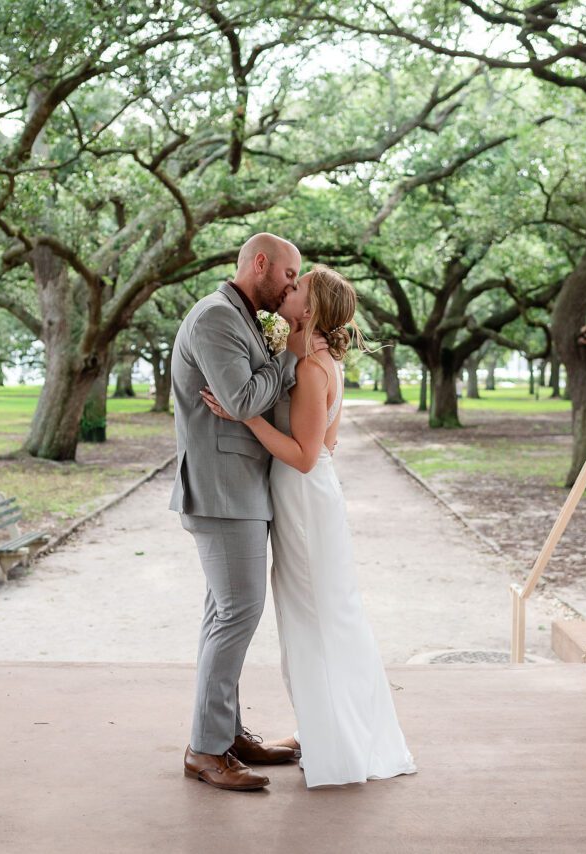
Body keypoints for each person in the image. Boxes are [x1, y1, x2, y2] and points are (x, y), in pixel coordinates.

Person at [201, 265, 416, 788]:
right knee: (315, 616)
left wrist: (244, 416)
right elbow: (325, 442)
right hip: (306, 498)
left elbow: (304, 455)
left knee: (313, 618)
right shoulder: (309, 359)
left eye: (297, 288)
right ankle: (327, 726)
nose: (287, 290)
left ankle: (337, 737)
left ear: (312, 308)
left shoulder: (314, 367)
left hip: (303, 501)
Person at [170, 232, 321, 791]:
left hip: (240, 489)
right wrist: (288, 356)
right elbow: (239, 402)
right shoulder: (215, 318)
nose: (290, 285)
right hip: (221, 491)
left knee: (224, 616)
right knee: (237, 614)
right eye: (288, 275)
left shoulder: (241, 316)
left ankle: (227, 734)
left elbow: (246, 398)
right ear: (261, 264)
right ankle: (205, 750)